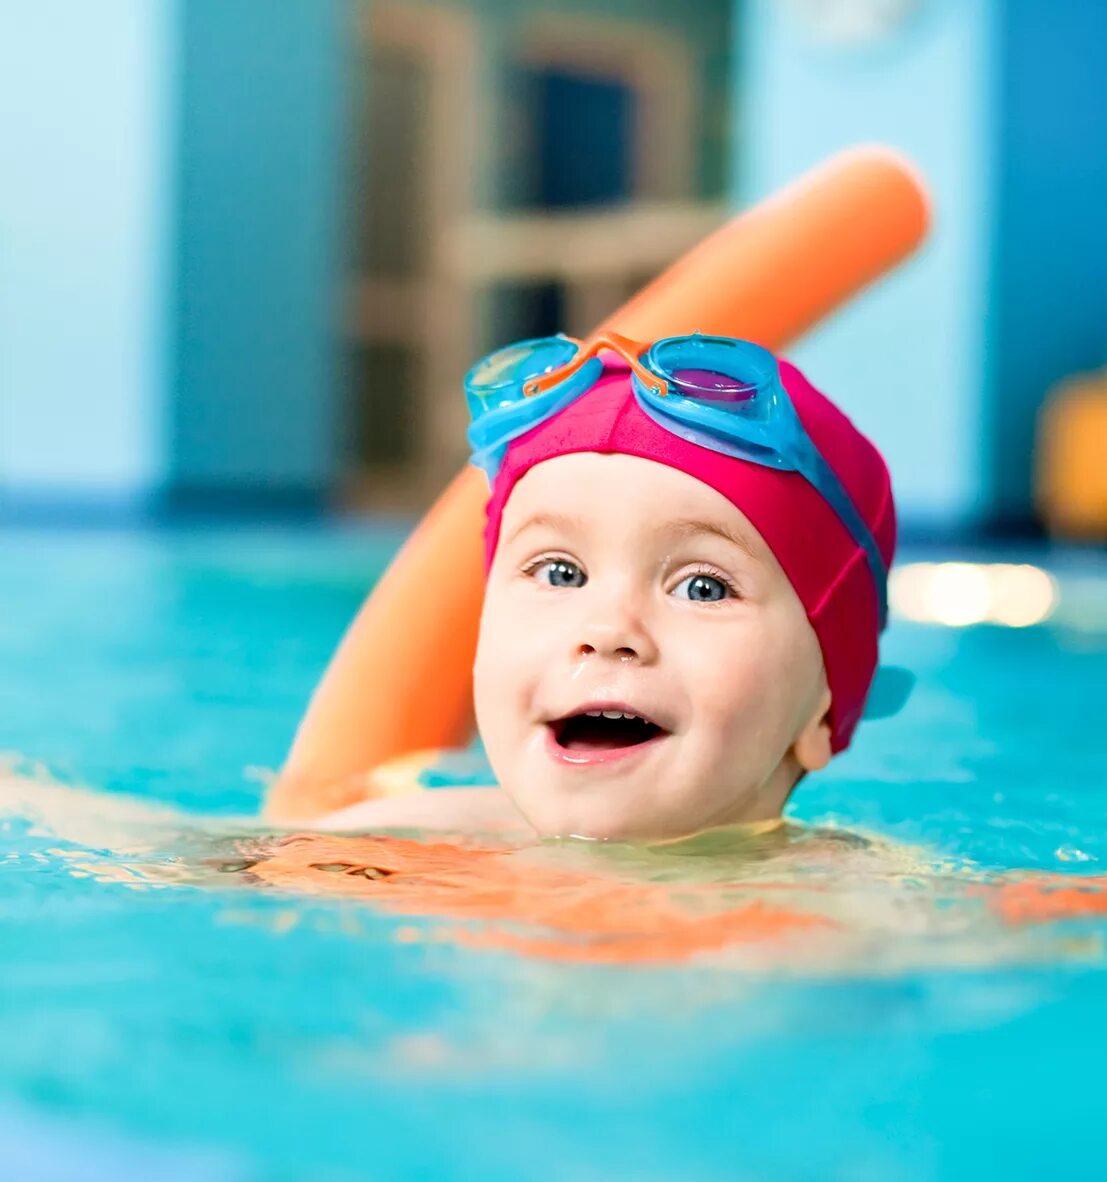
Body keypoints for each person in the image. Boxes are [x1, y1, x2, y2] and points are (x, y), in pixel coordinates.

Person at [319, 329, 907, 843]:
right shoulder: (386, 845)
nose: (606, 631)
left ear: (823, 717)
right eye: (559, 573)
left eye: (702, 587)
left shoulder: (863, 913)